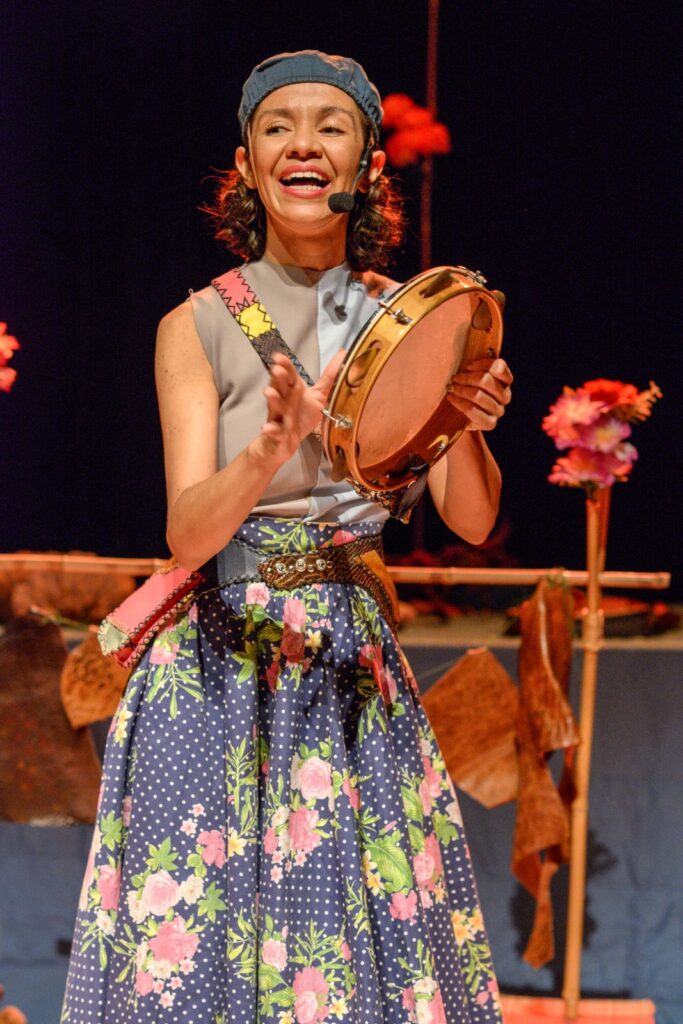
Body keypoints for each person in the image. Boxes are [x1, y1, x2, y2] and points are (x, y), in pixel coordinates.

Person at [63, 51, 512, 1024]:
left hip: (349, 672)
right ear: (246, 163)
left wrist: (466, 421)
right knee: (200, 957)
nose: (303, 143)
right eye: (278, 126)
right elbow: (188, 536)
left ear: (368, 165)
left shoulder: (411, 321)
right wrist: (267, 450)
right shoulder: (196, 325)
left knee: (350, 951)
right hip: (218, 671)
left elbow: (472, 520)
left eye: (330, 126)